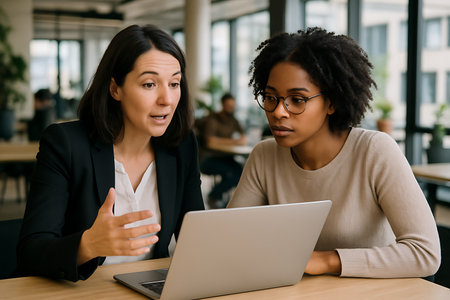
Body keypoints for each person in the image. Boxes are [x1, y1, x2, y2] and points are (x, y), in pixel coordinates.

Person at [227, 27, 440, 278]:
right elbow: (230, 240)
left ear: (332, 102)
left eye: (297, 100)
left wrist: (328, 260)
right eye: (271, 97)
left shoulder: (374, 151)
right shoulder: (264, 155)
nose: (278, 112)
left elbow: (425, 253)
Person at [17, 24, 204, 282]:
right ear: (115, 88)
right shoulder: (66, 145)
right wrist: (88, 245)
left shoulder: (181, 146)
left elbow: (198, 242)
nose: (167, 99)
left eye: (174, 83)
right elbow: (31, 251)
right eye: (149, 84)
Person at [199, 92, 247, 208]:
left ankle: (225, 203)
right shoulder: (212, 119)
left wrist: (242, 139)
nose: (231, 109)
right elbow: (210, 141)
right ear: (222, 105)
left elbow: (243, 136)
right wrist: (234, 142)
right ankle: (214, 196)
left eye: (233, 107)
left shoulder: (233, 120)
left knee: (241, 171)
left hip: (225, 157)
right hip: (208, 158)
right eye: (229, 106)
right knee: (231, 173)